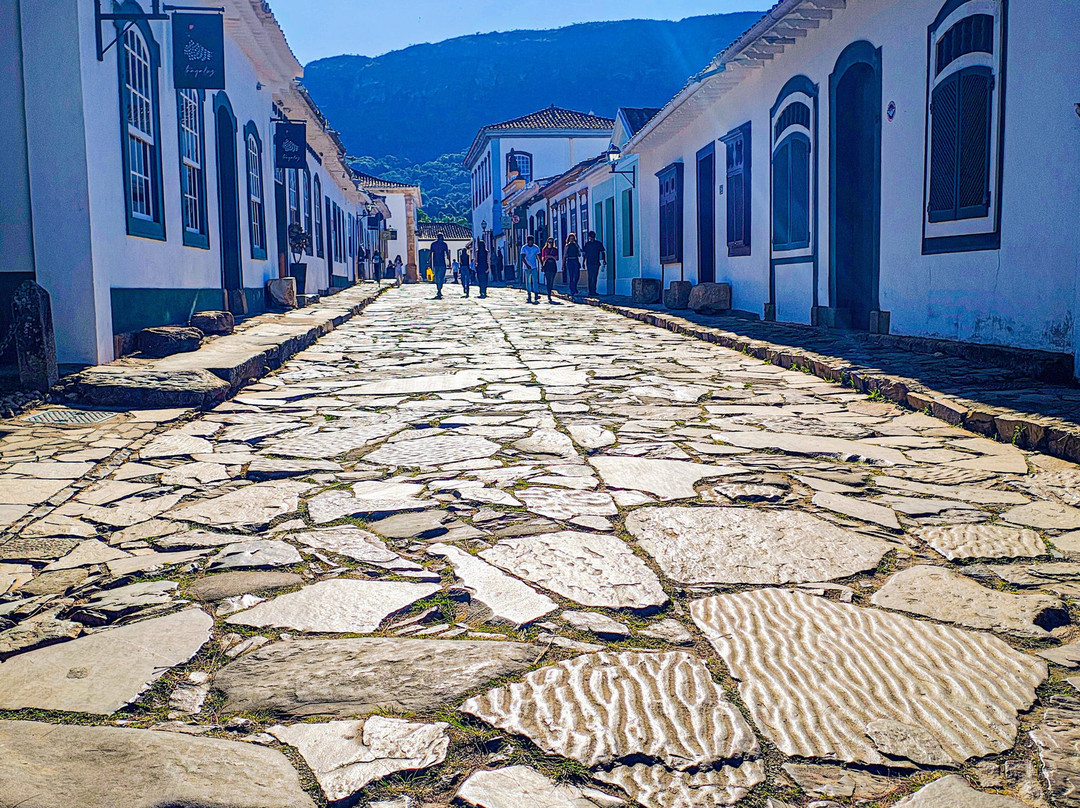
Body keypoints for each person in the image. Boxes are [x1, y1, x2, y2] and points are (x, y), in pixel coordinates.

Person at [582, 231, 606, 297]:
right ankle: (590, 291)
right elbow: (585, 254)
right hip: (589, 262)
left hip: (596, 262)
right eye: (590, 237)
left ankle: (594, 290)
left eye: (593, 237)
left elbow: (602, 252)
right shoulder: (587, 244)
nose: (592, 238)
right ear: (589, 237)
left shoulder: (598, 244)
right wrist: (583, 262)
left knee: (595, 277)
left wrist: (604, 260)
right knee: (590, 277)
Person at [520, 235, 541, 305]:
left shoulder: (536, 248)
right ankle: (529, 294)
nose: (530, 242)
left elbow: (538, 256)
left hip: (534, 267)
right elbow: (523, 257)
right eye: (529, 241)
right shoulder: (524, 248)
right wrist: (527, 265)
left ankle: (536, 293)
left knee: (535, 281)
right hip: (526, 268)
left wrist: (541, 264)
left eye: (531, 241)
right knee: (528, 281)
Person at [429, 233, 450, 299]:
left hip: (436, 263)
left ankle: (439, 289)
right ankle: (439, 289)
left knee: (438, 277)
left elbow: (430, 253)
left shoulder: (433, 244)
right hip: (441, 263)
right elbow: (447, 253)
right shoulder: (444, 244)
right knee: (441, 277)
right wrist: (449, 262)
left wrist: (428, 260)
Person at [563, 233, 582, 297]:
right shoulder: (567, 246)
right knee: (571, 276)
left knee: (577, 275)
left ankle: (575, 286)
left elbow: (579, 254)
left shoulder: (576, 245)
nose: (571, 240)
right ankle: (572, 289)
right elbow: (564, 255)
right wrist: (563, 265)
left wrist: (580, 252)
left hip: (575, 260)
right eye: (570, 238)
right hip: (570, 261)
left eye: (573, 238)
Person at [541, 237, 559, 303]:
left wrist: (551, 257)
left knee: (552, 280)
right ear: (547, 242)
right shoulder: (544, 249)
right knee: (548, 280)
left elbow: (556, 258)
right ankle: (549, 294)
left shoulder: (555, 249)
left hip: (553, 265)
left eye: (551, 242)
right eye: (549, 242)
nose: (550, 243)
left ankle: (550, 290)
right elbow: (543, 258)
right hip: (547, 265)